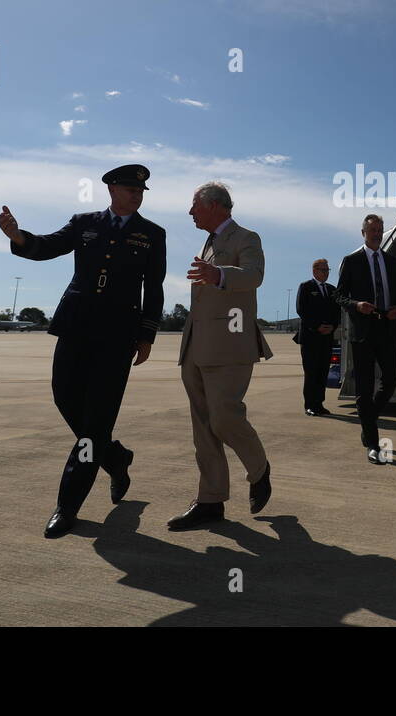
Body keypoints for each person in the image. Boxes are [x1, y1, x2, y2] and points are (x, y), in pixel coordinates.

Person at [0, 164, 165, 539]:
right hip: (76, 326)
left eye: (140, 190)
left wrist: (147, 334)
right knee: (65, 399)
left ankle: (67, 505)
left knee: (94, 424)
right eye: (128, 188)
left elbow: (153, 288)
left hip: (119, 335)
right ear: (110, 190)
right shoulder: (84, 222)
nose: (136, 194)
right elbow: (48, 246)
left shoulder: (152, 234)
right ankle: (115, 457)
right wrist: (20, 238)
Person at [169, 182, 274, 530]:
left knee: (225, 418)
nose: (190, 212)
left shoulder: (246, 237)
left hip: (230, 344)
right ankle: (210, 501)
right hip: (197, 347)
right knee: (202, 429)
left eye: (194, 205)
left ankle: (259, 470)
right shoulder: (210, 242)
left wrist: (219, 275)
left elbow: (254, 275)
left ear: (215, 206)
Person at [333, 213, 396, 464]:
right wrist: (356, 304)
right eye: (372, 229)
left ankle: (368, 420)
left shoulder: (392, 262)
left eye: (380, 229)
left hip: (386, 327)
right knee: (364, 388)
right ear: (363, 232)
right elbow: (339, 296)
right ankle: (373, 443)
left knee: (392, 378)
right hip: (362, 331)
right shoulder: (352, 261)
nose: (376, 233)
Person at [295, 259, 339, 416]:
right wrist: (316, 326)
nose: (326, 273)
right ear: (314, 271)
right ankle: (310, 405)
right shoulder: (306, 287)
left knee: (322, 372)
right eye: (323, 270)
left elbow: (337, 312)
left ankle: (319, 403)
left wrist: (333, 326)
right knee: (311, 372)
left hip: (326, 337)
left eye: (327, 270)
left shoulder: (332, 289)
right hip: (310, 337)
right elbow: (302, 310)